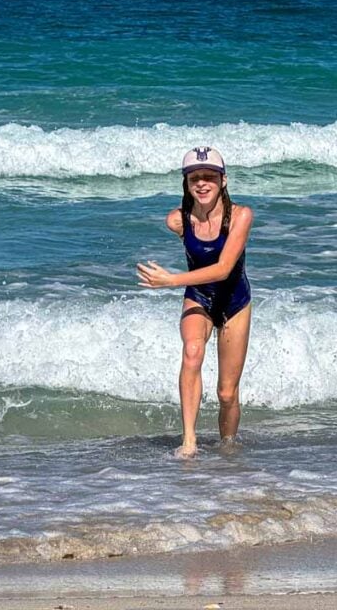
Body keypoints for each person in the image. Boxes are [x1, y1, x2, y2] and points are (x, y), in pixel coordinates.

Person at [137, 146, 253, 457]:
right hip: (199, 296)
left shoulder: (241, 216)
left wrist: (169, 280)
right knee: (192, 352)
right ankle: (189, 441)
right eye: (194, 178)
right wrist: (177, 283)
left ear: (223, 180)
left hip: (235, 302)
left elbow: (223, 268)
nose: (202, 184)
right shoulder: (177, 221)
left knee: (226, 393)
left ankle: (228, 448)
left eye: (209, 177)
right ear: (186, 184)